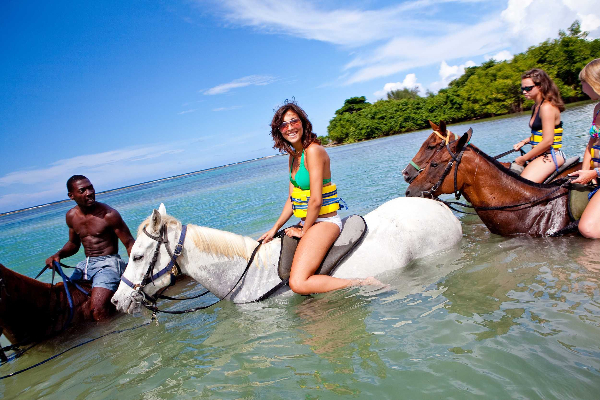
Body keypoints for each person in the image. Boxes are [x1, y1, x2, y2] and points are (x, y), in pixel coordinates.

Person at [259, 102, 374, 294]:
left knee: (298, 283)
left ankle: (363, 283)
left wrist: (304, 230)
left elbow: (315, 200)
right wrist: (274, 228)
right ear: (279, 131)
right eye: (284, 125)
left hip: (325, 222)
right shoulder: (294, 156)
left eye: (294, 121)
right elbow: (292, 199)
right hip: (310, 221)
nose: (290, 127)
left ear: (303, 123)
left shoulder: (313, 151)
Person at [45, 175, 135, 320]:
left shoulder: (109, 215)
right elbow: (73, 244)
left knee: (97, 309)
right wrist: (58, 255)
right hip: (86, 265)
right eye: (82, 190)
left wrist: (135, 272)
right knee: (67, 304)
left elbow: (130, 243)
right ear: (71, 195)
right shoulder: (71, 216)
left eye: (90, 187)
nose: (89, 192)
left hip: (109, 264)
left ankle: (110, 339)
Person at [512, 68, 566, 183]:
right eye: (523, 88)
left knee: (523, 186)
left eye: (528, 88)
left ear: (540, 86)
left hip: (551, 156)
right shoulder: (536, 106)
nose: (524, 92)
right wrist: (525, 141)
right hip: (539, 155)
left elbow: (548, 141)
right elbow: (542, 133)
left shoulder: (547, 107)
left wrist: (523, 159)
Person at [568, 59, 600, 238]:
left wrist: (596, 174)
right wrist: (585, 171)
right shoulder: (597, 109)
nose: (581, 88)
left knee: (587, 228)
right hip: (596, 174)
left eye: (583, 82)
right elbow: (591, 144)